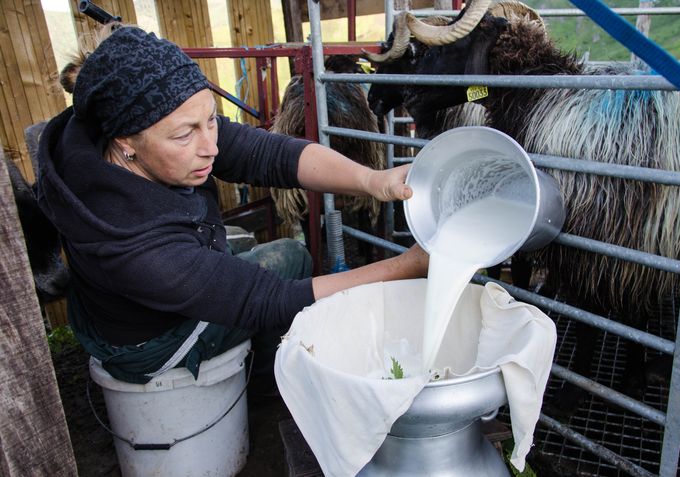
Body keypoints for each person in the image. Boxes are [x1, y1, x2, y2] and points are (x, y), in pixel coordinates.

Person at [36, 24, 428, 386]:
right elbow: (270, 300)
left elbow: (266, 154)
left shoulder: (135, 121)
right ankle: (264, 381)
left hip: (123, 305)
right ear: (125, 142)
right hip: (146, 345)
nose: (210, 146)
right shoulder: (129, 243)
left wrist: (373, 180)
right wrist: (407, 265)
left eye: (211, 121)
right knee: (291, 257)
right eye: (185, 135)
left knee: (251, 258)